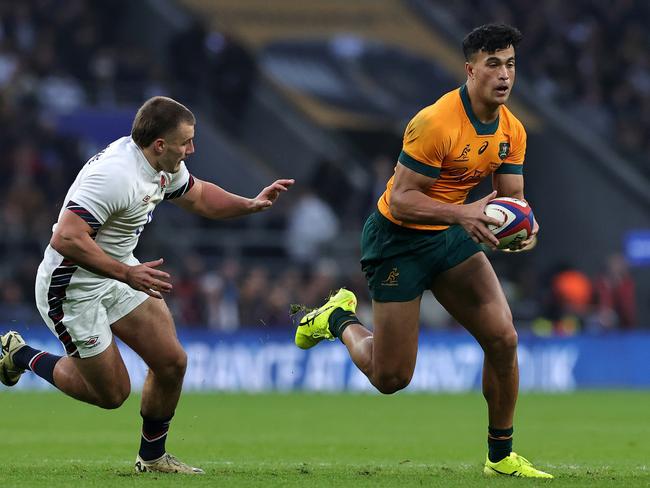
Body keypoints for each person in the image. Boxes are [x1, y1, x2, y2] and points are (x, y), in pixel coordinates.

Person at [293, 24, 552, 478]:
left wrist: (524, 230)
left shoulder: (512, 130)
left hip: (450, 232)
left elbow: (513, 201)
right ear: (470, 70)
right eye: (493, 64)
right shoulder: (435, 122)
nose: (504, 74)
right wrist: (464, 215)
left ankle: (500, 457)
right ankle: (336, 318)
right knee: (391, 378)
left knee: (504, 338)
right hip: (398, 240)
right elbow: (400, 199)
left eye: (510, 64)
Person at [0, 96, 294, 474]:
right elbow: (66, 238)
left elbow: (200, 196)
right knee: (112, 394)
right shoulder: (115, 176)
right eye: (186, 141)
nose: (192, 149)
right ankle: (19, 354)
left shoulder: (162, 165)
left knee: (171, 362)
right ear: (160, 144)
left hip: (119, 271)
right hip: (72, 288)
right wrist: (126, 273)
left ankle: (152, 458)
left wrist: (250, 204)